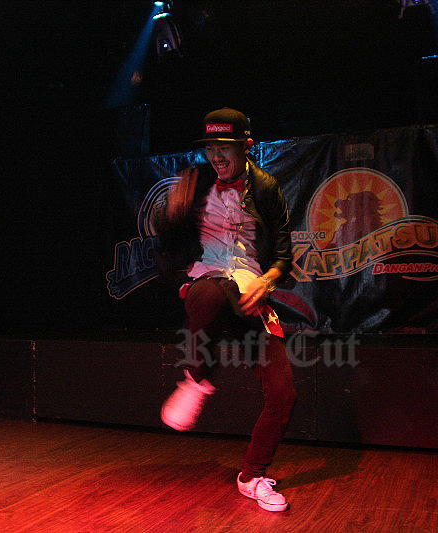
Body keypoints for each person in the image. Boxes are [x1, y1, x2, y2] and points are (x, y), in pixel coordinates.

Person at [156, 107, 297, 512]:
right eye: (211, 148)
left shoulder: (266, 189)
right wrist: (171, 215)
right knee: (213, 293)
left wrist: (267, 282)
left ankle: (252, 476)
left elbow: (284, 254)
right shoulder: (197, 182)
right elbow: (169, 238)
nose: (216, 156)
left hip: (250, 292)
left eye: (225, 148)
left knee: (283, 394)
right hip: (206, 282)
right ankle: (196, 379)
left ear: (247, 146)